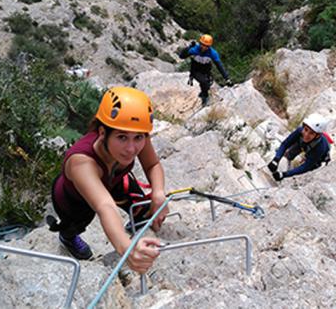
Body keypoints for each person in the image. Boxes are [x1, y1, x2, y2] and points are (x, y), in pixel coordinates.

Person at [48, 87, 169, 274]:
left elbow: (152, 165)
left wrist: (159, 193)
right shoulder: (81, 161)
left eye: (138, 138)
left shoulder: (134, 134)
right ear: (102, 132)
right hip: (74, 197)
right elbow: (105, 206)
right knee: (75, 224)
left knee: (144, 207)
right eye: (121, 137)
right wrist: (126, 248)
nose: (131, 148)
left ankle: (135, 223)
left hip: (115, 180)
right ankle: (68, 237)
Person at [267, 113, 331, 181]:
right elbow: (285, 144)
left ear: (317, 136)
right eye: (306, 129)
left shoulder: (320, 148)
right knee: (288, 155)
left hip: (317, 156)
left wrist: (284, 174)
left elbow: (305, 167)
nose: (306, 134)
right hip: (302, 144)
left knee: (309, 174)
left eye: (311, 133)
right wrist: (276, 160)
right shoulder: (300, 131)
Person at [179, 34, 232, 107]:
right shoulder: (195, 49)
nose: (203, 47)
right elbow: (181, 56)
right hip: (195, 70)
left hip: (206, 71)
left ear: (209, 46)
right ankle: (205, 98)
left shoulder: (213, 53)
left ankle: (203, 94)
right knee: (203, 82)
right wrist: (189, 47)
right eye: (202, 44)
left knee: (207, 84)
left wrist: (227, 79)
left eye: (206, 45)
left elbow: (219, 66)